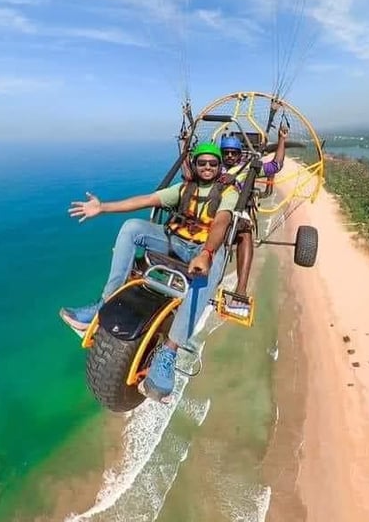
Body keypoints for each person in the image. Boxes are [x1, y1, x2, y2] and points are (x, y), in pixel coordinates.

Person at [60, 142, 239, 402]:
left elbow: (221, 221)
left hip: (205, 248)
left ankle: (169, 351)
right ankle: (105, 303)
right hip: (177, 241)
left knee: (206, 275)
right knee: (132, 227)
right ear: (196, 165)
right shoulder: (184, 189)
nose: (208, 167)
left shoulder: (228, 193)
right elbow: (145, 200)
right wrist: (104, 207)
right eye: (203, 163)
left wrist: (207, 253)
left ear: (219, 165)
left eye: (213, 163)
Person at [220, 125, 288, 303]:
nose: (229, 156)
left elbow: (276, 165)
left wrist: (282, 140)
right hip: (214, 208)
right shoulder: (211, 165)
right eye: (226, 153)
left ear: (239, 154)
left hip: (237, 210)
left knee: (245, 232)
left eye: (233, 153)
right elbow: (189, 172)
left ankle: (241, 288)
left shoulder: (249, 168)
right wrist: (183, 143)